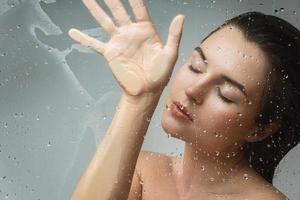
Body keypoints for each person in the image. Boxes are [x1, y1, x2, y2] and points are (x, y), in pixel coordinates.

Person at [68, 0, 300, 199]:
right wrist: (138, 99)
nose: (193, 90)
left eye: (225, 94)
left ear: (260, 129)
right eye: (196, 66)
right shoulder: (143, 171)